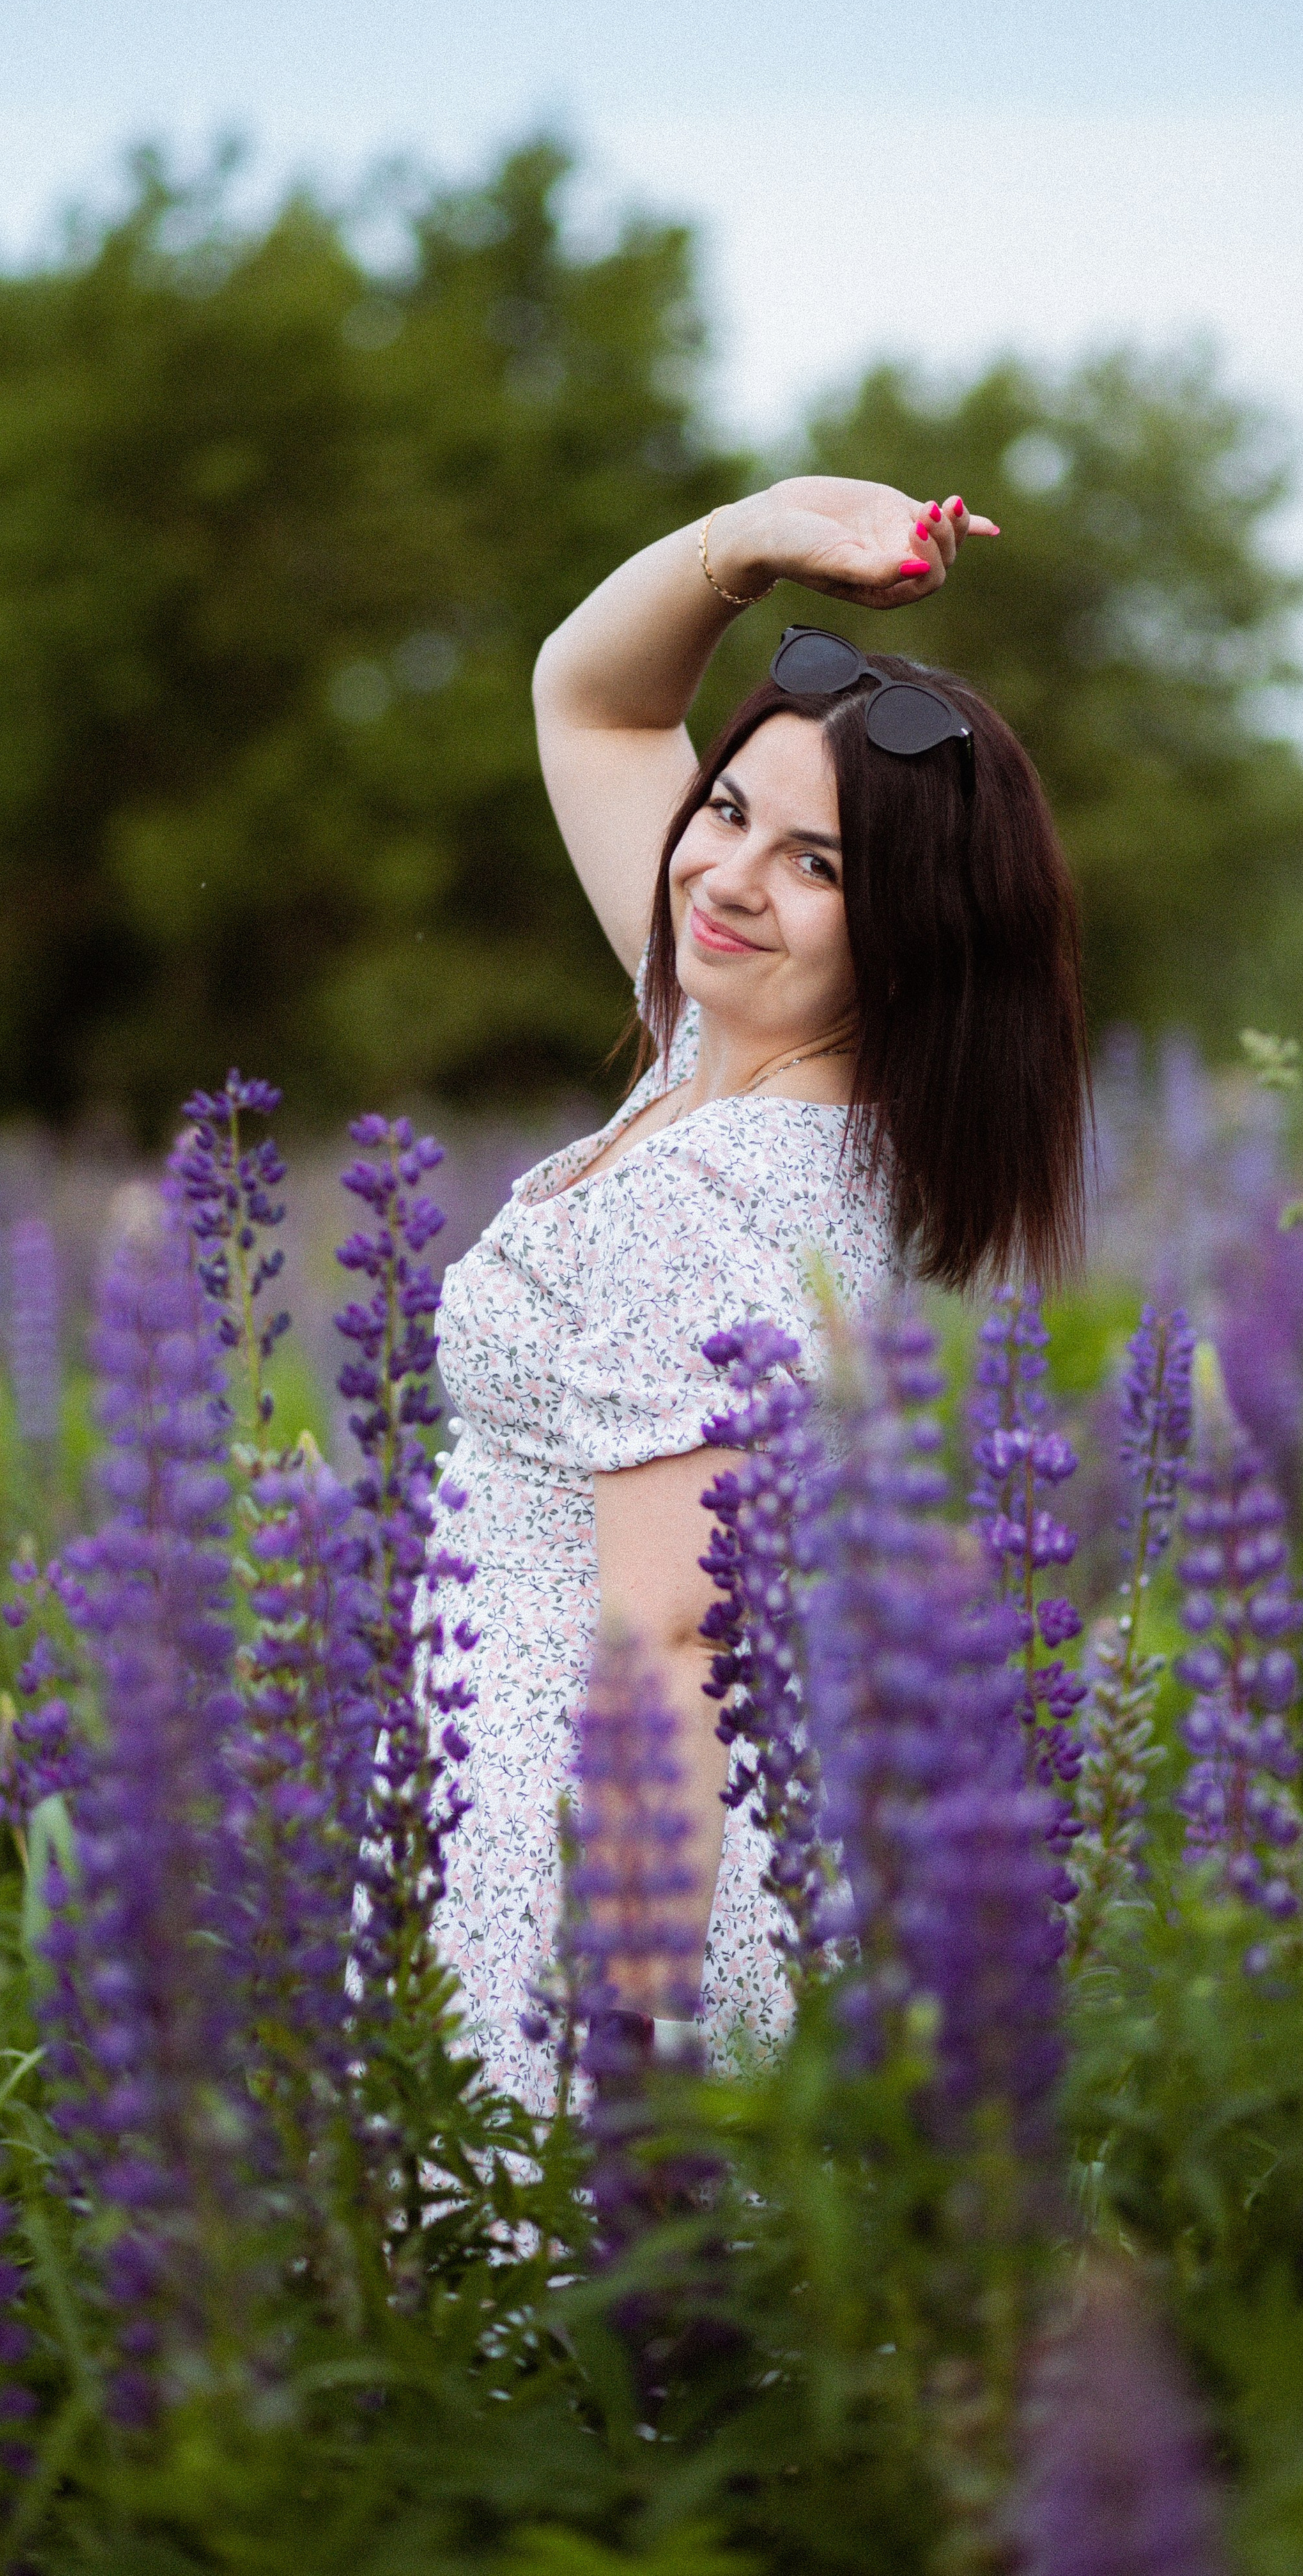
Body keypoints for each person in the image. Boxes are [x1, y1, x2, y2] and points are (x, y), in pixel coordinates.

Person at [428, 475, 1090, 2105]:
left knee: (562, 2333)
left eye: (819, 866)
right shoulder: (731, 1078)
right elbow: (587, 697)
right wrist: (764, 532)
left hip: (568, 1882)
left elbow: (670, 1629)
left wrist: (623, 2070)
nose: (727, 877)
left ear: (912, 933)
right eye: (725, 810)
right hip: (573, 1828)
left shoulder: (714, 1186)